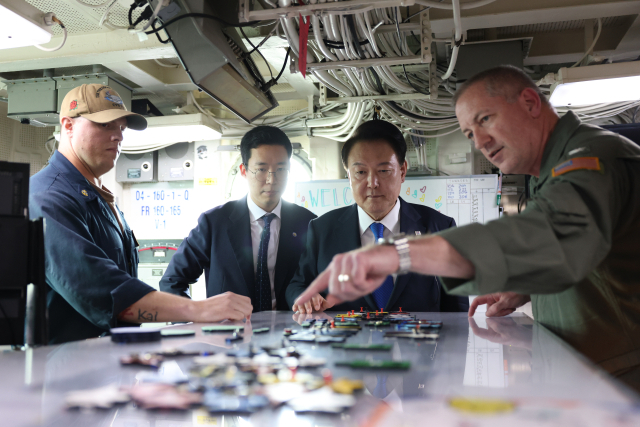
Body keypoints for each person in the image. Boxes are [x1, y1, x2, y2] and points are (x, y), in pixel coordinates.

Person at [294, 65, 640, 391]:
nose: (481, 143)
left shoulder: (590, 161)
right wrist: (529, 288)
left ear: (531, 102)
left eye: (486, 120)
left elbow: (553, 235)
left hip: (618, 379)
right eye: (470, 133)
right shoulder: (548, 174)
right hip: (582, 372)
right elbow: (590, 256)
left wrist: (396, 254)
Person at [29, 84, 253, 344]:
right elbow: (104, 293)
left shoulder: (99, 198)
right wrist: (200, 310)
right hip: (60, 372)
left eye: (121, 128)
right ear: (68, 126)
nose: (118, 137)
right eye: (104, 125)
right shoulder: (49, 198)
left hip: (104, 364)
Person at [287, 120, 468, 314]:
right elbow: (298, 285)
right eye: (360, 172)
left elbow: (457, 307)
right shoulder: (322, 229)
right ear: (349, 176)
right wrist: (303, 297)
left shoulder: (440, 227)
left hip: (421, 342)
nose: (372, 183)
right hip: (346, 342)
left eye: (383, 171)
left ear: (403, 171)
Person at [160, 126, 316, 311]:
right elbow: (172, 281)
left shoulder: (308, 223)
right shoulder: (214, 223)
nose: (271, 180)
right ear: (243, 171)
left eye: (281, 169)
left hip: (290, 333)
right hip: (228, 333)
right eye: (261, 169)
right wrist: (196, 317)